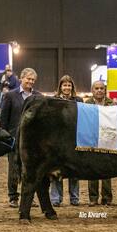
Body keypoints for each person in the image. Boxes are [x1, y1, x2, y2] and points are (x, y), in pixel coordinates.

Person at [0, 68, 42, 208]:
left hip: (33, 140)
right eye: (28, 79)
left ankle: (30, 196)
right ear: (21, 79)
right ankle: (13, 197)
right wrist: (5, 138)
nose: (30, 81)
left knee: (31, 169)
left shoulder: (38, 96)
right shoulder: (10, 96)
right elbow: (3, 121)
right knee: (13, 168)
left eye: (32, 80)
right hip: (14, 139)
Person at [50, 75, 82, 207]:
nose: (67, 88)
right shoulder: (54, 100)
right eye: (64, 85)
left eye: (69, 85)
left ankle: (74, 198)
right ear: (60, 87)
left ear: (72, 87)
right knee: (56, 170)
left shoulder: (78, 100)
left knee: (74, 170)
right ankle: (56, 199)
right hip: (57, 140)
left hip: (74, 139)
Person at [85, 80, 114, 206]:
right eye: (96, 88)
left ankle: (107, 198)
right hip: (92, 139)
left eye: (102, 88)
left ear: (105, 90)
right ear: (92, 91)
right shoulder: (87, 104)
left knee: (107, 170)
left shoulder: (111, 104)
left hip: (107, 139)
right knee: (92, 169)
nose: (99, 90)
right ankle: (93, 198)